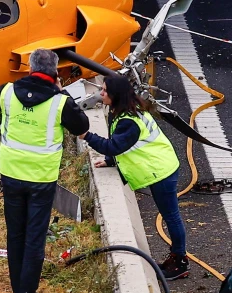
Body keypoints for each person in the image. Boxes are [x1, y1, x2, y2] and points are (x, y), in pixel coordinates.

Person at [0, 49, 89, 293]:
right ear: (54, 73)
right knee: (35, 237)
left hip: (11, 175)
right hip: (42, 179)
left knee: (15, 235)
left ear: (30, 69)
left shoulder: (8, 93)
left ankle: (18, 290)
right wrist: (61, 91)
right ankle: (27, 292)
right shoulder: (60, 102)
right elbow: (82, 125)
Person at [79, 74, 188, 280]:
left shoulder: (129, 122)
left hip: (161, 172)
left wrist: (87, 136)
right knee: (170, 216)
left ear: (115, 95)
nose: (100, 93)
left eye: (104, 91)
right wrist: (111, 160)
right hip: (161, 167)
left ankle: (180, 262)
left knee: (171, 217)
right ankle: (176, 258)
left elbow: (114, 145)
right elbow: (119, 143)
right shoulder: (124, 112)